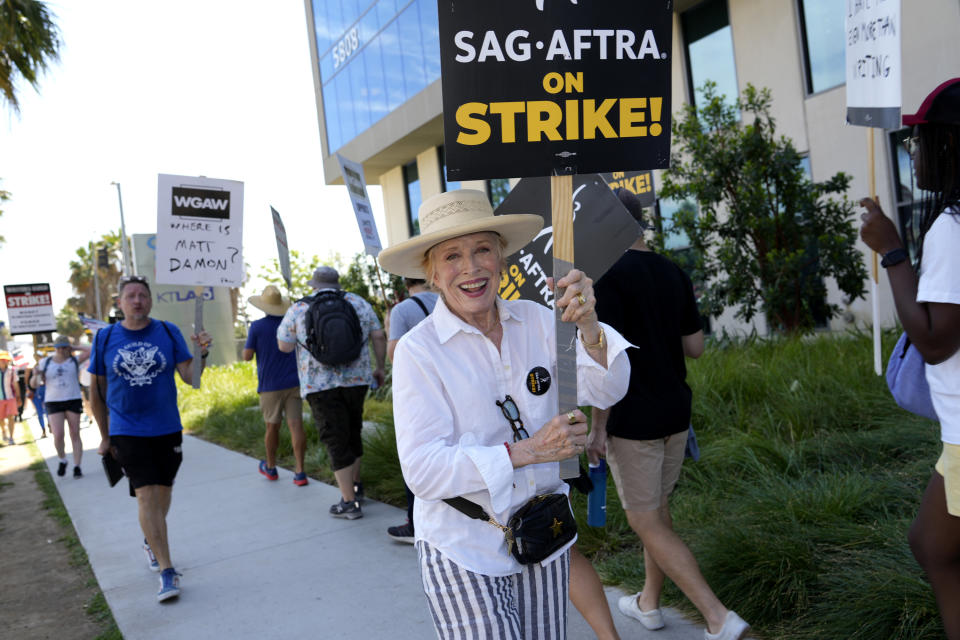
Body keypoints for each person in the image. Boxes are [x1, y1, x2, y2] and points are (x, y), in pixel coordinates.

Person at [378, 189, 631, 639]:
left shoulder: (538, 320)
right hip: (463, 546)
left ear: (503, 258)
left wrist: (590, 327)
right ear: (431, 274)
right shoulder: (419, 351)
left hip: (545, 534)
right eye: (452, 256)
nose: (471, 268)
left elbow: (609, 386)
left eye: (482, 251)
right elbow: (423, 472)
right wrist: (525, 451)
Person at [588, 188, 750, 640]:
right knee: (656, 514)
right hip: (677, 411)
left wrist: (598, 430)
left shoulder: (602, 281)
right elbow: (695, 348)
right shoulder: (673, 271)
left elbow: (603, 367)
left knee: (645, 520)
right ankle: (648, 603)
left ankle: (718, 618)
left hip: (633, 418)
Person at [860, 77, 960, 639]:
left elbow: (936, 339)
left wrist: (893, 253)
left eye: (920, 142)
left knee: (933, 547)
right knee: (931, 542)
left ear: (950, 146)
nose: (913, 154)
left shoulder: (951, 227)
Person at [89, 275, 212, 603]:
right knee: (146, 495)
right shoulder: (105, 338)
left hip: (167, 426)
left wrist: (203, 352)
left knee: (162, 493)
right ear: (119, 302)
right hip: (127, 429)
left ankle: (150, 539)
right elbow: (96, 392)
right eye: (130, 296)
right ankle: (167, 570)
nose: (137, 300)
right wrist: (104, 435)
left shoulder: (168, 332)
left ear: (150, 300)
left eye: (142, 295)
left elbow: (191, 379)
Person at [277, 266, 386, 519]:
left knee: (334, 439)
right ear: (337, 284)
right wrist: (380, 367)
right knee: (352, 432)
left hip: (319, 384)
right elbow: (378, 336)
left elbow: (283, 345)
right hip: (357, 380)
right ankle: (356, 487)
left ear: (314, 285)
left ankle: (348, 503)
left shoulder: (300, 307)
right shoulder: (357, 302)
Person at [385, 277, 438, 543]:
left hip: (419, 391)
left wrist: (388, 327)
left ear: (407, 284)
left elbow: (395, 355)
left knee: (418, 456)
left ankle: (415, 525)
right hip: (452, 386)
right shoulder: (446, 299)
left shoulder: (402, 310)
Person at [243, 285, 308, 485]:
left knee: (272, 427)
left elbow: (247, 356)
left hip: (269, 385)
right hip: (294, 381)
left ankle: (271, 467)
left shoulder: (257, 327)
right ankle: (300, 472)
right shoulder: (292, 323)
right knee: (296, 425)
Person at [33, 336, 90, 478]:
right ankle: (62, 459)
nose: (62, 350)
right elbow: (34, 384)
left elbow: (91, 350)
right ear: (55, 348)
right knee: (58, 435)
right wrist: (36, 375)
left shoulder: (74, 360)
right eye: (59, 347)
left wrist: (75, 348)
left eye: (65, 347)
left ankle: (77, 466)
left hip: (73, 399)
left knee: (74, 433)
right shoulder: (45, 362)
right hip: (53, 401)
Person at [0, 351, 20, 445]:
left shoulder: (12, 370)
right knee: (1, 419)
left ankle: (11, 437)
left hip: (10, 397)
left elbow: (15, 384)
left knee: (11, 417)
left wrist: (18, 397)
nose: (3, 361)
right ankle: (3, 431)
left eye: (5, 360)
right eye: (2, 360)